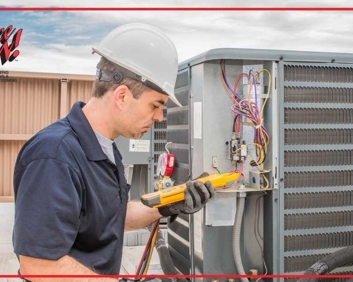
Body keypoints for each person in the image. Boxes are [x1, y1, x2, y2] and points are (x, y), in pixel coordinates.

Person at [12, 23, 215, 281]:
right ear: (121, 96)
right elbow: (39, 266)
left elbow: (113, 218)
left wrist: (171, 203)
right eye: (156, 105)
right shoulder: (54, 156)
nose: (160, 117)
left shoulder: (105, 148)